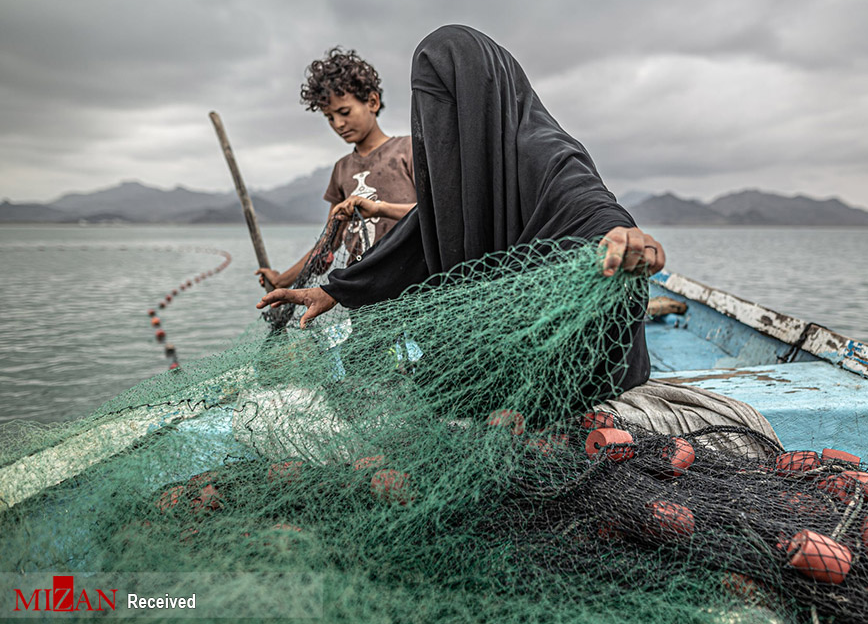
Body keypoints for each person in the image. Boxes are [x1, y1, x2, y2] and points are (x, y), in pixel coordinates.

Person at [258, 25, 664, 392]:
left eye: (448, 107)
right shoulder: (456, 172)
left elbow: (589, 205)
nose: (437, 125)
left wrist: (622, 234)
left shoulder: (542, 150)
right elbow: (419, 233)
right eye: (428, 112)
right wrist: (336, 289)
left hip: (565, 356)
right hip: (498, 347)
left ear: (479, 98)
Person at [255, 47, 417, 289]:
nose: (338, 124)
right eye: (330, 117)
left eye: (344, 112)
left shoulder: (408, 150)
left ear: (372, 102)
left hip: (413, 284)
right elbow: (329, 243)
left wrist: (380, 208)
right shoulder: (342, 169)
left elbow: (435, 214)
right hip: (362, 290)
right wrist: (282, 280)